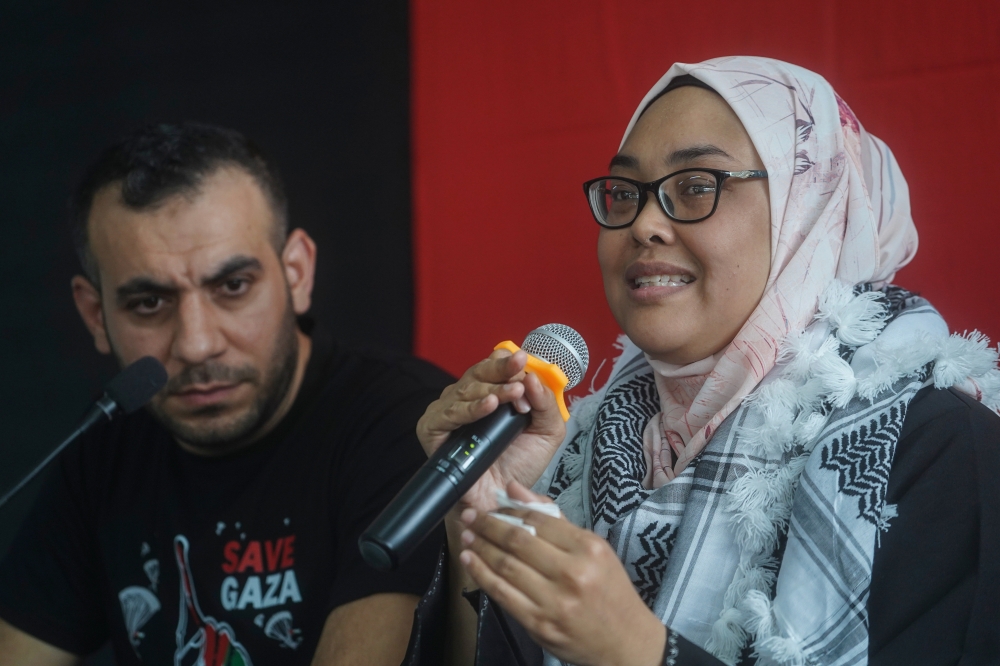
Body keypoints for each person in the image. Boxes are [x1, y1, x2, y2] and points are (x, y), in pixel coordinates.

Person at [406, 57, 1000, 665]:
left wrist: (635, 649)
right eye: (624, 193)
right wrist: (478, 516)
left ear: (811, 208)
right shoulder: (577, 448)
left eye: (695, 185)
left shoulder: (940, 445)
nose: (644, 224)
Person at [0, 122, 451, 665]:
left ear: (297, 274)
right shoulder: (106, 450)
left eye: (232, 287)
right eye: (148, 303)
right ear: (96, 315)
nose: (196, 345)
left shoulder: (410, 427)